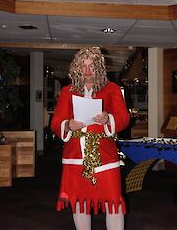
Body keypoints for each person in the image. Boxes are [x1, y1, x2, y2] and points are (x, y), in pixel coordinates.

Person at [51, 47, 130, 230]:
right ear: (77, 68)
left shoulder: (112, 89)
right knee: (79, 202)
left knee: (113, 202)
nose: (87, 71)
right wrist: (68, 124)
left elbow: (124, 118)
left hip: (105, 156)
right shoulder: (67, 91)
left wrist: (107, 118)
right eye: (83, 66)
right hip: (75, 156)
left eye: (91, 66)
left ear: (100, 68)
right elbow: (56, 122)